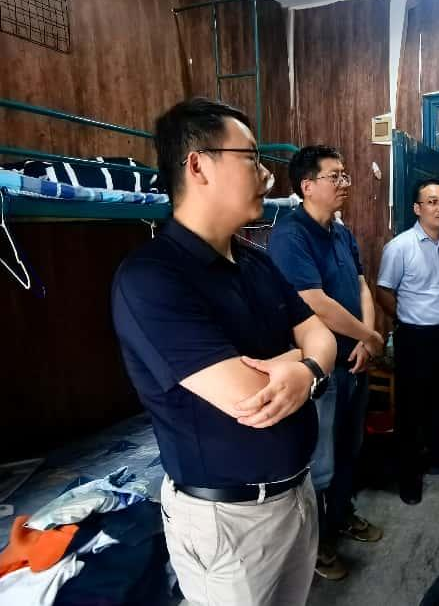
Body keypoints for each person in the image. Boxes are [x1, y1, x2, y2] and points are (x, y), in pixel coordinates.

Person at [111, 97, 336, 605]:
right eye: (252, 158)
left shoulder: (255, 261)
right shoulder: (151, 278)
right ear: (198, 166)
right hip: (228, 521)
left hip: (295, 496)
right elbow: (252, 397)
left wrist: (303, 371)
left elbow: (321, 335)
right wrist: (304, 362)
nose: (266, 176)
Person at [269, 145, 384, 581]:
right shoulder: (290, 235)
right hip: (321, 368)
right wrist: (368, 336)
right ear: (307, 186)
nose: (344, 183)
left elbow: (361, 284)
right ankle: (316, 545)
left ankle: (342, 515)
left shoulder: (340, 231)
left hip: (355, 359)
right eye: (334, 176)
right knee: (320, 461)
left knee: (350, 448)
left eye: (344, 175)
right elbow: (314, 301)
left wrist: (366, 338)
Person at [377, 180, 439, 505]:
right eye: (433, 202)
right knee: (410, 409)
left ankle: (435, 453)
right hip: (414, 337)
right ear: (417, 208)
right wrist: (405, 318)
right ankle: (409, 474)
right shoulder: (400, 247)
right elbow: (383, 290)